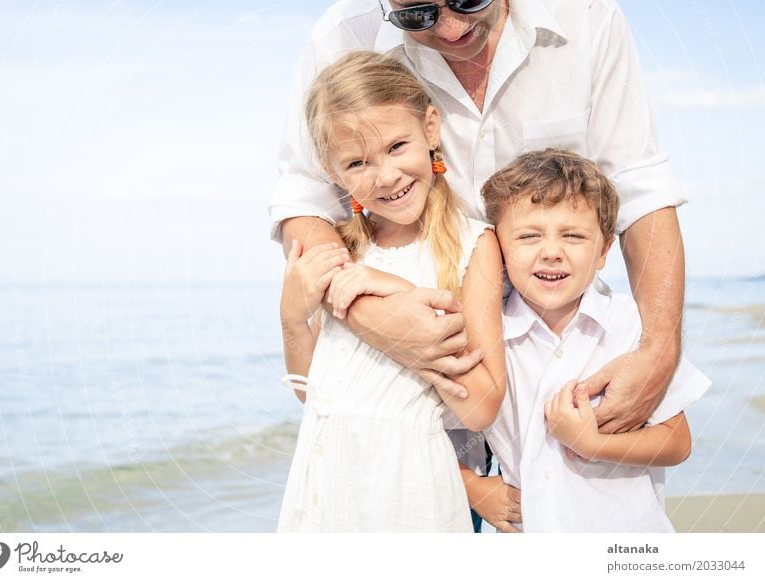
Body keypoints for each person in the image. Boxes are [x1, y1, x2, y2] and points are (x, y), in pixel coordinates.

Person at [270, 0, 687, 531]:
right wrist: (372, 316)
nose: (449, 28)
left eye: (468, 0)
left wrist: (659, 345)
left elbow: (640, 184)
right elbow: (303, 197)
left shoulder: (588, 17)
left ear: (429, 129)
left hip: (542, 354)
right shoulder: (340, 34)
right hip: (387, 467)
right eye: (415, 15)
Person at [277, 51, 505, 532]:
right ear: (332, 171)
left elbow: (483, 406)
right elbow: (315, 395)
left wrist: (395, 289)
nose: (385, 176)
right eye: (358, 162)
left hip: (409, 488)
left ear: (430, 128)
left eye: (397, 146)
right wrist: (292, 320)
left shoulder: (473, 246)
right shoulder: (339, 253)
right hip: (325, 481)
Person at [469, 149, 710, 531]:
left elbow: (677, 442)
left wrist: (592, 443)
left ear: (603, 251)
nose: (551, 252)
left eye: (573, 236)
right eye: (529, 236)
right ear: (498, 247)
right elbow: (429, 429)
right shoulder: (486, 333)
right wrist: (472, 487)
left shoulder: (632, 325)